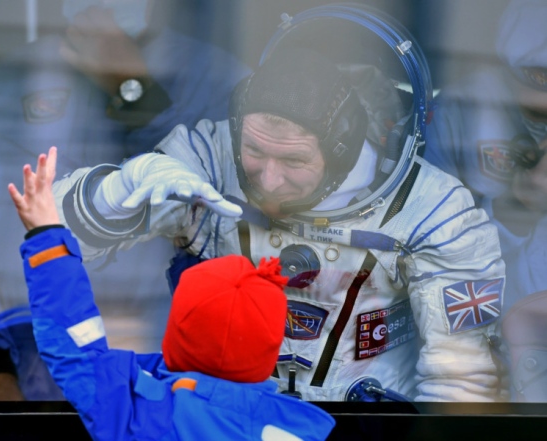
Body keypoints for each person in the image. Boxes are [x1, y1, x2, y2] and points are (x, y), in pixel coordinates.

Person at [49, 5, 507, 402]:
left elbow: (459, 378)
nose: (268, 179)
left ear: (342, 150)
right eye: (255, 152)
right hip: (224, 415)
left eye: (293, 160)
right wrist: (117, 190)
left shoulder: (433, 212)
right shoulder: (208, 159)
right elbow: (54, 233)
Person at [0, 0, 250, 400]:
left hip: (166, 388)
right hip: (36, 385)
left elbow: (225, 223)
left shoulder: (216, 79)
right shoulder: (15, 81)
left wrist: (133, 90)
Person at [7, 147, 335, 441]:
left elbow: (75, 349)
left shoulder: (143, 417)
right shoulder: (303, 428)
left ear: (177, 330)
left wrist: (46, 234)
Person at [422, 0, 547, 400]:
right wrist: (518, 207)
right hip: (488, 335)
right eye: (539, 77)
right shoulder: (462, 110)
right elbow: (428, 247)